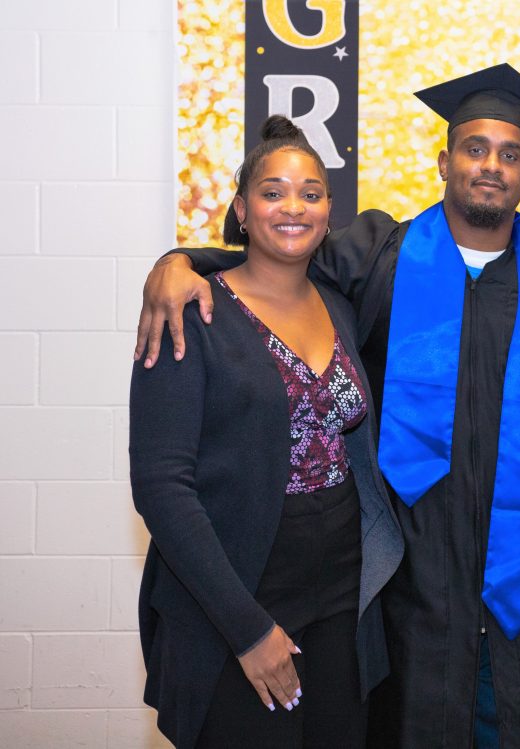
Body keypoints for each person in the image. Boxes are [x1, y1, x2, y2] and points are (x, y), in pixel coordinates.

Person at [133, 65, 520, 747]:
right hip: (411, 592)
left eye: (510, 153)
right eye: (475, 148)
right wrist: (182, 260)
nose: (491, 166)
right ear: (444, 160)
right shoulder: (378, 257)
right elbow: (276, 256)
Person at [129, 116, 402, 749]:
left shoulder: (338, 304)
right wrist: (247, 629)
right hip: (236, 587)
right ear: (241, 209)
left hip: (341, 590)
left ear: (330, 211)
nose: (293, 206)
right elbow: (162, 487)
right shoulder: (192, 311)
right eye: (273, 191)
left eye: (311, 192)